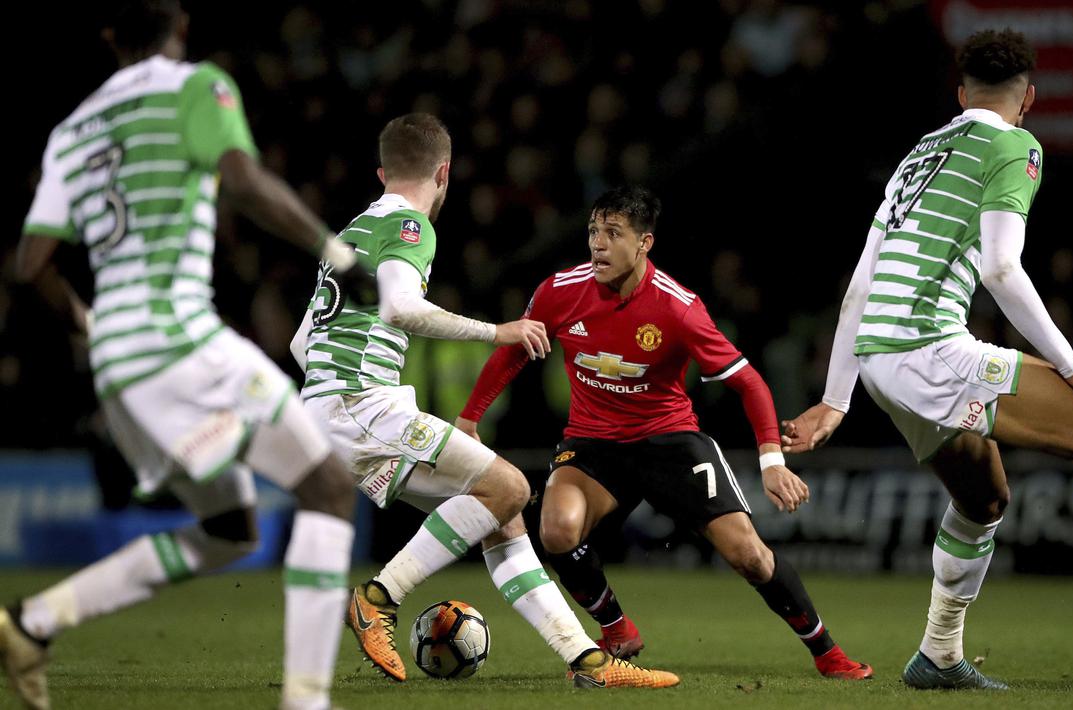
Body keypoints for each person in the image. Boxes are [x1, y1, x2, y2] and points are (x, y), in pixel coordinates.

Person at [782, 28, 1073, 690]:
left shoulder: (918, 154)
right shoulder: (1014, 145)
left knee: (982, 498)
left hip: (879, 363)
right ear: (1029, 99)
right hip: (926, 348)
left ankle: (937, 655)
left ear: (961, 93)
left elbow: (861, 284)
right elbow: (1001, 270)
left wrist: (835, 399)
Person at [1, 2, 366, 709]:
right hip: (180, 340)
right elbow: (243, 179)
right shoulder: (196, 86)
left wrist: (89, 324)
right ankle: (307, 702)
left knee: (231, 530)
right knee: (327, 486)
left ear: (109, 34)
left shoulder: (71, 130)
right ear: (183, 25)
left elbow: (30, 263)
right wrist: (336, 253)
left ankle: (31, 623)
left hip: (119, 364)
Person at [289, 114, 678, 689]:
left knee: (501, 516)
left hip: (332, 408)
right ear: (444, 172)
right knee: (512, 487)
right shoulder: (410, 227)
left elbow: (301, 342)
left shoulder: (349, 233)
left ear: (382, 171)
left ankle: (587, 663)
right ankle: (377, 598)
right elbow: (399, 309)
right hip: (361, 404)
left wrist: (333, 395)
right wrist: (500, 331)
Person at [457, 185, 872, 680]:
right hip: (593, 444)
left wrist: (772, 462)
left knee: (749, 556)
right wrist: (468, 419)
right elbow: (514, 349)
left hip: (668, 440)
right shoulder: (559, 291)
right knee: (556, 532)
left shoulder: (677, 307)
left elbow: (748, 382)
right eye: (593, 231)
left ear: (644, 243)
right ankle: (617, 630)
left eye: (614, 233)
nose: (598, 245)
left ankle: (827, 653)